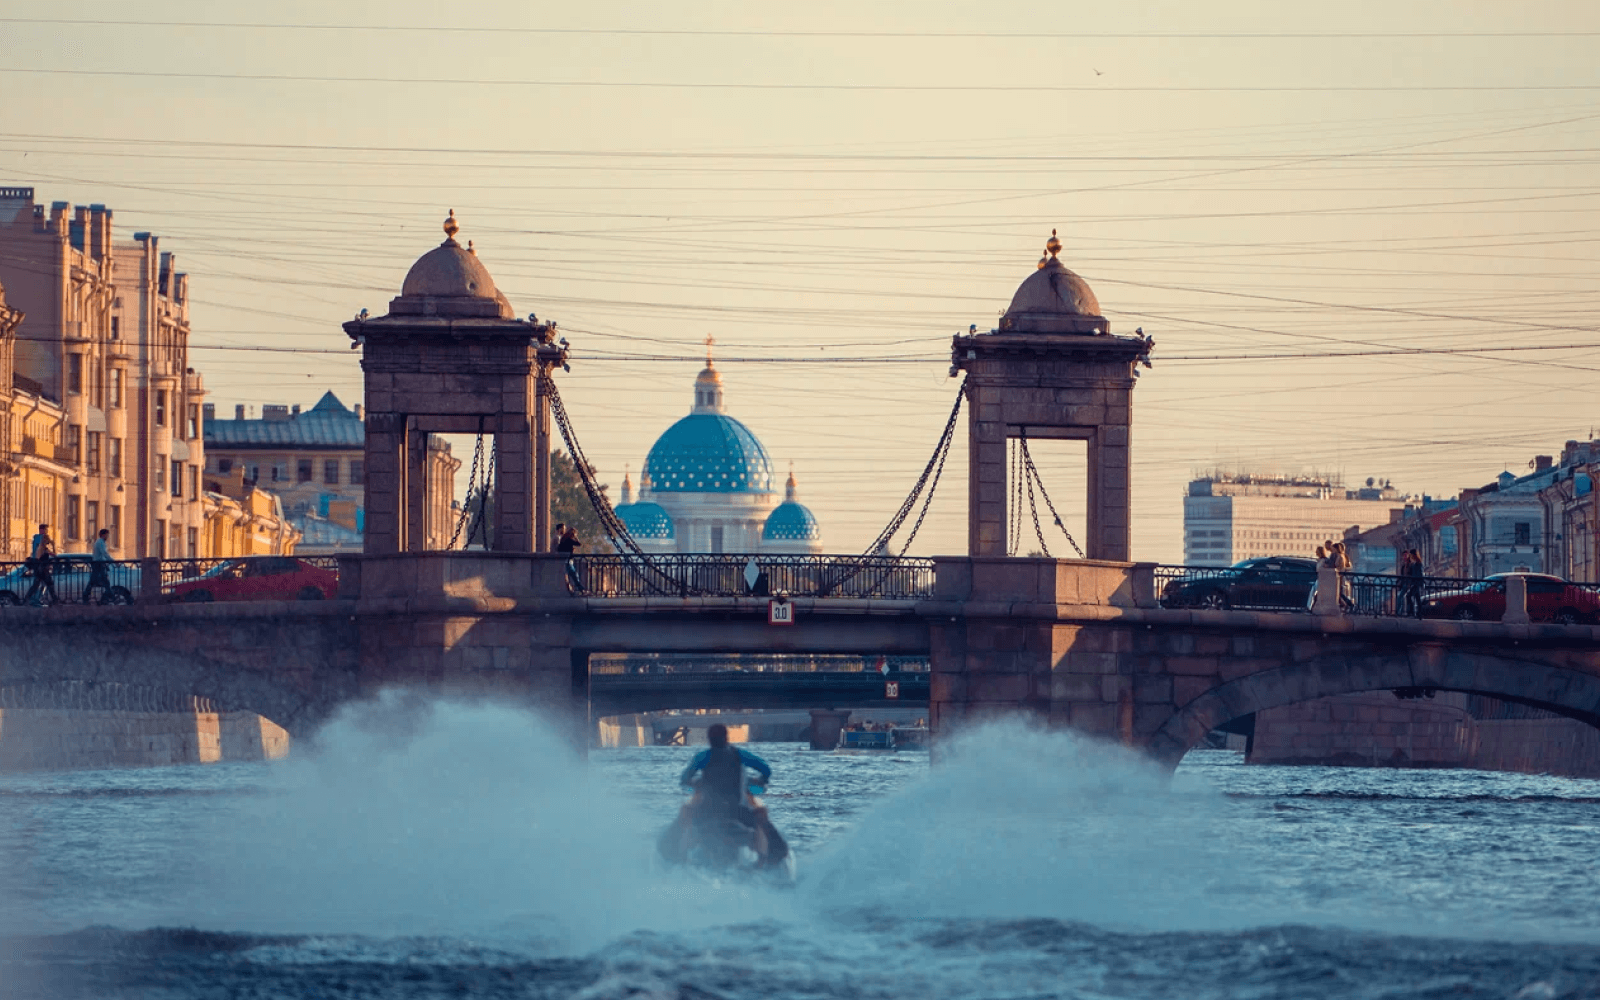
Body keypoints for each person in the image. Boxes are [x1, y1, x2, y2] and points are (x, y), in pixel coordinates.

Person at [665, 723, 788, 867]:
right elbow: (765, 769)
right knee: (761, 818)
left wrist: (695, 784)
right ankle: (772, 855)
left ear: (709, 739)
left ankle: (672, 854)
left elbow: (685, 778)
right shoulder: (740, 755)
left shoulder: (703, 757)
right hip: (737, 811)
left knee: (685, 816)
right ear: (726, 738)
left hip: (707, 812)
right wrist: (761, 780)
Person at [24, 524, 56, 606]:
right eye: (45, 530)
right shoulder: (40, 538)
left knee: (37, 584)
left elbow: (47, 551)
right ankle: (55, 600)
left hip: (39, 565)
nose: (46, 532)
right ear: (41, 530)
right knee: (49, 583)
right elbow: (40, 551)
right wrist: (52, 544)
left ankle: (27, 599)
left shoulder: (38, 539)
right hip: (41, 566)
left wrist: (51, 547)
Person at [82, 528, 113, 604]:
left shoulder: (99, 542)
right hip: (99, 564)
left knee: (94, 580)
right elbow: (104, 553)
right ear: (103, 535)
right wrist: (112, 560)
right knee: (104, 580)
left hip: (98, 563)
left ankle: (86, 595)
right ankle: (110, 594)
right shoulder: (100, 542)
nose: (108, 537)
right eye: (107, 535)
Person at [557, 525, 583, 592]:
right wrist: (576, 537)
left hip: (564, 559)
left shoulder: (564, 538)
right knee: (574, 575)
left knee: (568, 576)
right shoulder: (569, 540)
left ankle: (576, 589)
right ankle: (580, 589)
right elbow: (579, 544)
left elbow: (559, 548)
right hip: (568, 560)